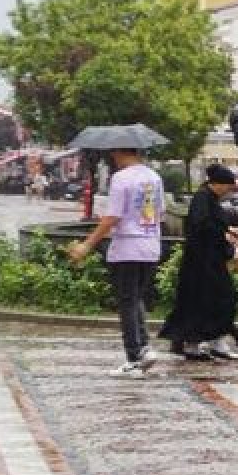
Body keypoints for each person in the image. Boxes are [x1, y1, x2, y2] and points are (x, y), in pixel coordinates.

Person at [67, 148, 165, 379]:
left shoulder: (121, 179)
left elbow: (113, 217)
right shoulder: (154, 177)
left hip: (128, 248)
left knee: (126, 302)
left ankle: (133, 358)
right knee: (136, 298)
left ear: (118, 152)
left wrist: (87, 244)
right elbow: (157, 214)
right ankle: (144, 349)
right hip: (150, 246)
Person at [158, 164, 238, 361]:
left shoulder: (208, 199)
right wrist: (225, 234)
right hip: (202, 263)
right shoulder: (202, 199)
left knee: (210, 302)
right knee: (221, 299)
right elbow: (202, 226)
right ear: (218, 184)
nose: (227, 192)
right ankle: (215, 343)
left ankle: (207, 344)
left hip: (207, 262)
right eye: (227, 187)